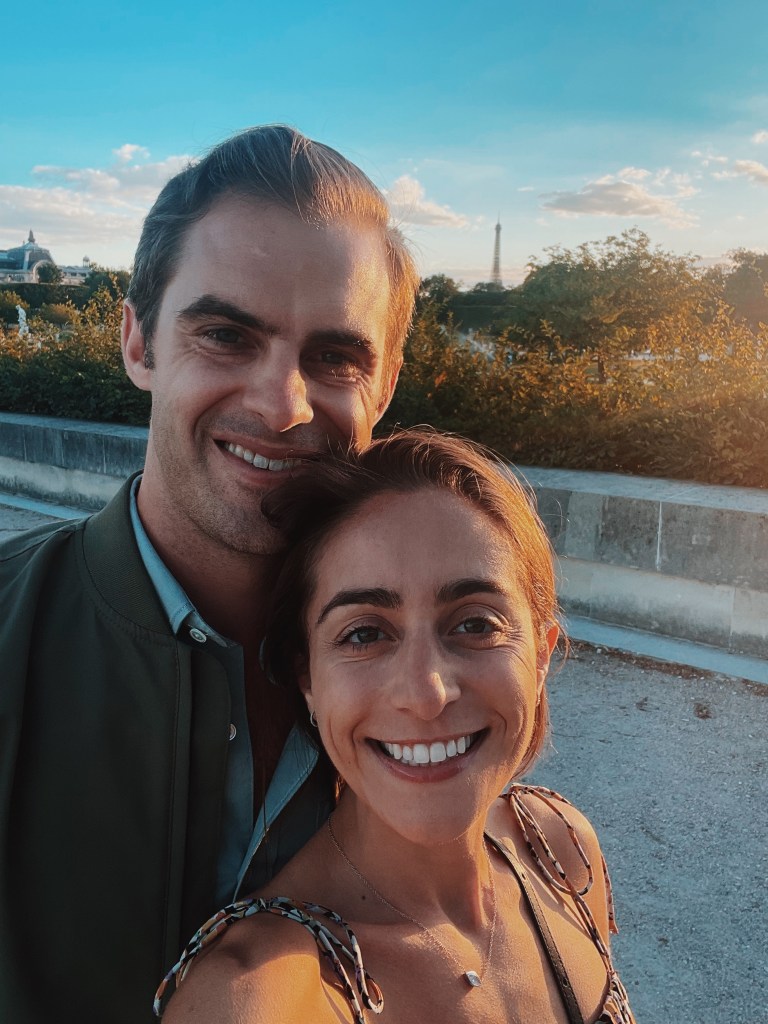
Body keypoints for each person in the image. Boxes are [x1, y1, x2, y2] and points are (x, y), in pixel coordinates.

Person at [0, 125, 418, 1024]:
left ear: (382, 389)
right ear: (138, 344)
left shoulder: (434, 683)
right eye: (227, 335)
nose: (283, 404)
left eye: (335, 358)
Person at [157, 429, 636, 1024]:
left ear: (540, 655)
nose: (427, 694)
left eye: (475, 625)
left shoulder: (558, 846)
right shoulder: (258, 993)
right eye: (364, 634)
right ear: (308, 678)